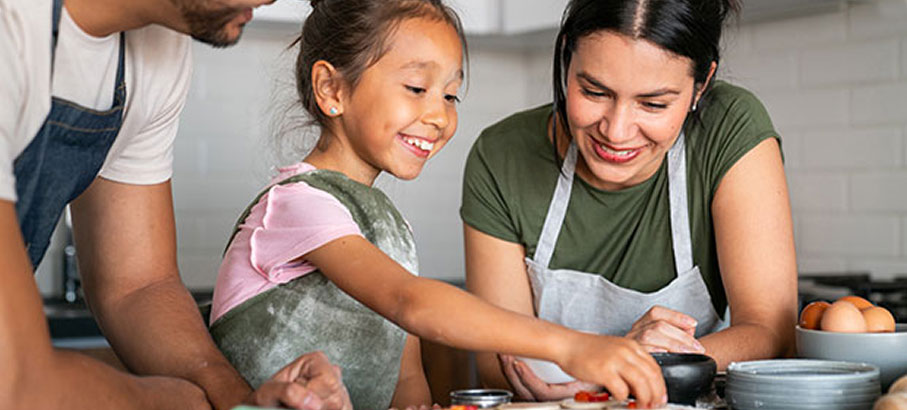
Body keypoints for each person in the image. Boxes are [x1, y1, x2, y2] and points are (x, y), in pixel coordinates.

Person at [208, 0, 668, 408]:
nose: (439, 115)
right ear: (332, 89)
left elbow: (406, 374)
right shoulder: (296, 204)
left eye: (450, 95)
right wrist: (573, 347)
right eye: (416, 88)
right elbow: (411, 303)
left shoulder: (386, 227)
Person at [0, 0, 350, 408]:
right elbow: (16, 380)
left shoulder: (157, 46)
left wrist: (240, 401)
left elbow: (137, 286)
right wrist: (176, 401)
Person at [461, 0, 798, 402]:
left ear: (701, 84)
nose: (617, 132)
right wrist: (620, 361)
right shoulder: (502, 155)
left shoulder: (729, 129)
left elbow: (770, 333)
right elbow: (501, 363)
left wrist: (639, 363)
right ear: (567, 56)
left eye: (654, 103)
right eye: (594, 91)